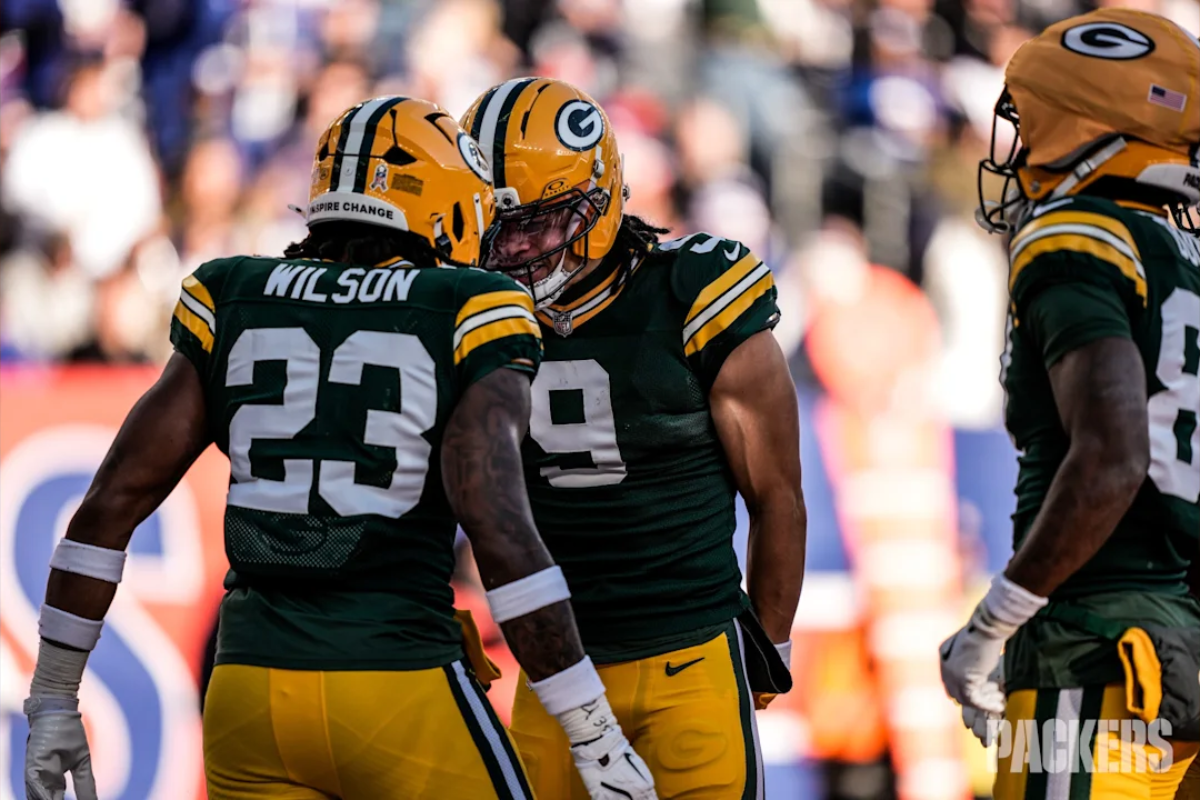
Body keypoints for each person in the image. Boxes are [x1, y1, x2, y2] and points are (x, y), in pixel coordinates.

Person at [22, 96, 657, 800]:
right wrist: (592, 728)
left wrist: (53, 697)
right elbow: (498, 523)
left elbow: (110, 507)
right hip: (397, 682)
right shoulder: (469, 305)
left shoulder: (234, 292)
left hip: (249, 694)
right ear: (446, 203)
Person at [460, 78, 807, 799]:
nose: (514, 248)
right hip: (555, 675)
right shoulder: (469, 311)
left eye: (537, 223)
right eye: (498, 227)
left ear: (597, 200)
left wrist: (769, 645)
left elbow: (776, 494)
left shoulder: (693, 291)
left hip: (689, 660)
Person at [938, 9, 1200, 798]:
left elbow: (1114, 453)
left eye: (1031, 124)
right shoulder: (1182, 255)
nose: (1018, 152)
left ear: (1076, 125)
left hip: (1095, 655)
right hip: (1177, 649)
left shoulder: (1076, 232)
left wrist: (996, 623)